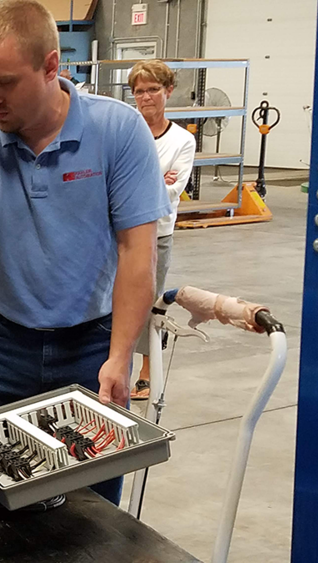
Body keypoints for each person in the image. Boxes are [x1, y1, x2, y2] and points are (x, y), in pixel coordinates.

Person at [0, 0, 172, 505]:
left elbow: (138, 254)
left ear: (52, 66)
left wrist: (119, 356)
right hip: (1, 349)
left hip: (91, 348)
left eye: (4, 83)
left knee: (92, 514)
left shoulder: (117, 132)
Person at [127, 60, 196, 401]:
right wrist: (156, 177)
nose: (146, 97)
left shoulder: (182, 140)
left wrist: (139, 181)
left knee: (148, 302)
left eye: (153, 89)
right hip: (119, 231)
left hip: (157, 233)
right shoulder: (126, 130)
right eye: (139, 91)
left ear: (168, 91)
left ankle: (146, 370)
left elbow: (173, 189)